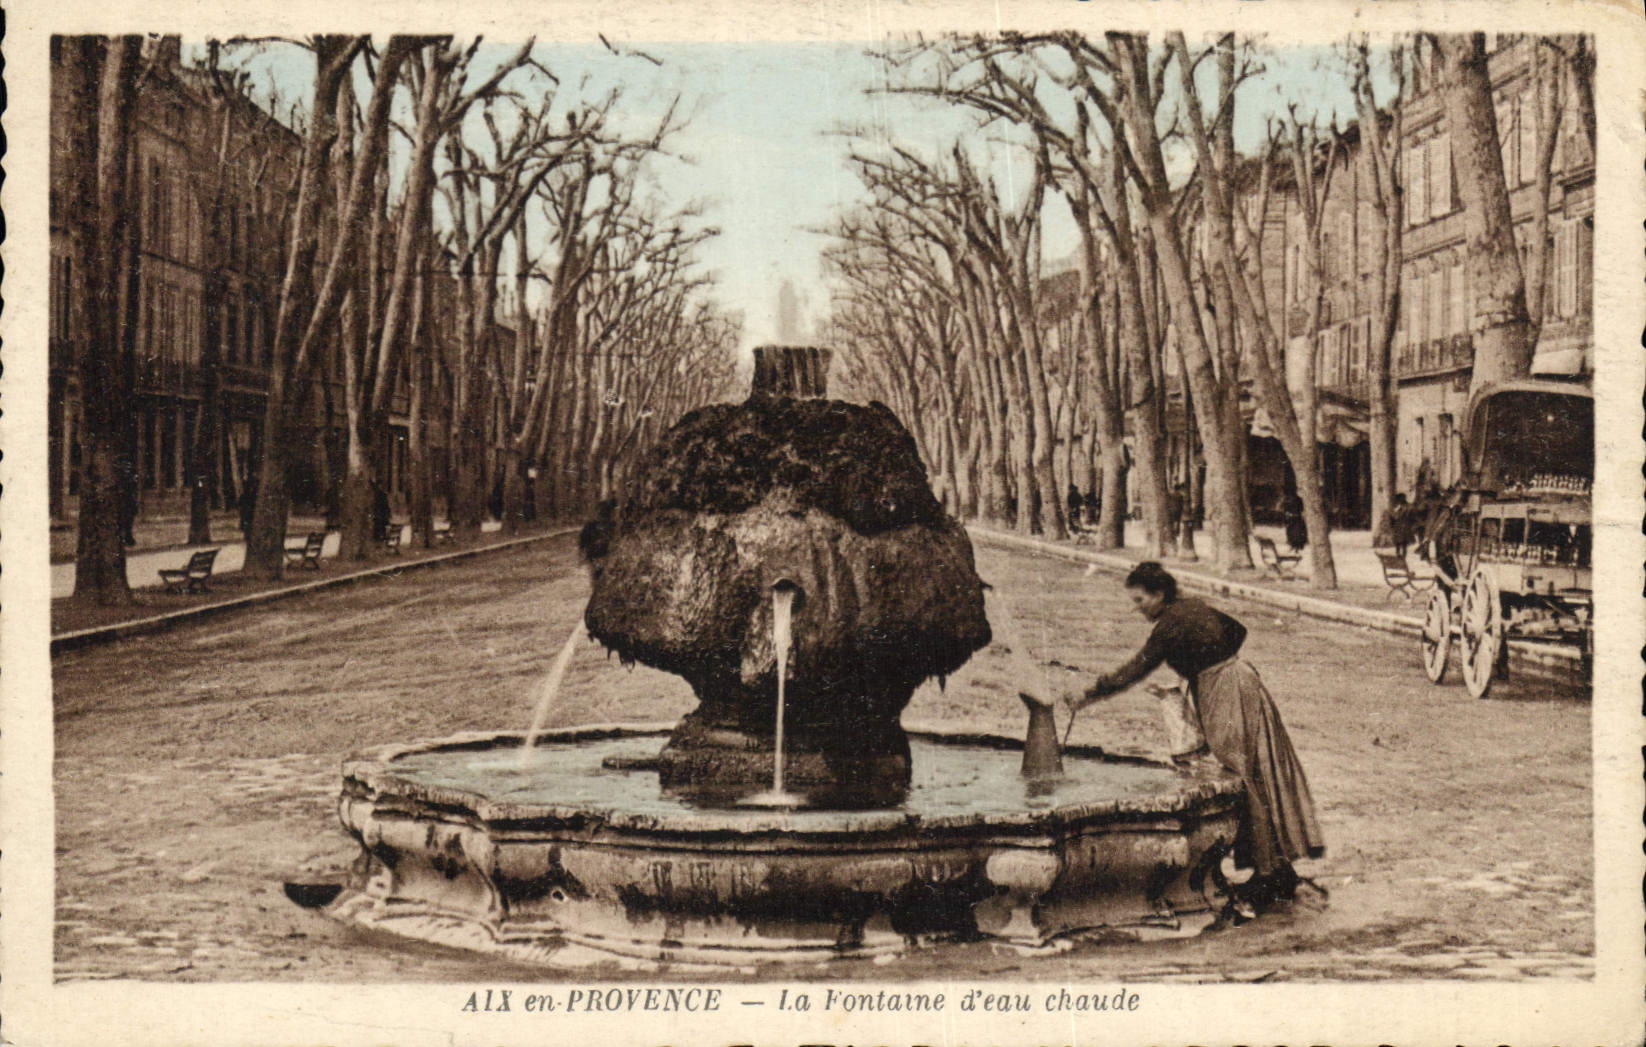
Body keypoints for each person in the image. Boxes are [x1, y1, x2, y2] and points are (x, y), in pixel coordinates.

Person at [1068, 562, 1324, 912]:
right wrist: (1210, 663)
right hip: (1242, 681)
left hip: (1225, 691)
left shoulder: (1170, 625)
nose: (1138, 607)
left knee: (1241, 779)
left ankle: (1271, 875)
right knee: (1257, 774)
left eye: (1141, 600)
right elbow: (1238, 630)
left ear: (1159, 594)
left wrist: (1089, 694)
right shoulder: (1191, 608)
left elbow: (1135, 669)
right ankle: (1275, 869)